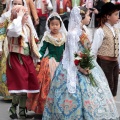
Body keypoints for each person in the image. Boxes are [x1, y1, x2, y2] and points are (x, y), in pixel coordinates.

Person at [42, 6, 119, 120]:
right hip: (74, 67)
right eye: (88, 15)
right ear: (81, 18)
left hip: (85, 62)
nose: (89, 18)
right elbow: (73, 54)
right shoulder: (73, 34)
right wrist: (82, 67)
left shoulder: (83, 31)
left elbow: (88, 49)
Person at [26, 12, 67, 119]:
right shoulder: (47, 36)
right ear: (49, 25)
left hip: (61, 63)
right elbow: (42, 50)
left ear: (60, 25)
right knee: (46, 86)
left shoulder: (64, 36)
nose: (55, 26)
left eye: (57, 24)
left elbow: (66, 50)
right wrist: (37, 58)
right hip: (49, 62)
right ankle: (44, 108)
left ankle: (58, 108)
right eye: (52, 24)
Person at [0, 0, 39, 101]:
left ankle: (20, 108)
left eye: (19, 4)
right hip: (11, 50)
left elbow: (32, 36)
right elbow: (3, 32)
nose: (17, 6)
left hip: (25, 54)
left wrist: (35, 53)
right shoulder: (7, 17)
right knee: (13, 76)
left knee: (25, 80)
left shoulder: (27, 22)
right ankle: (10, 99)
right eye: (15, 3)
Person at [6, 5, 40, 119]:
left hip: (27, 58)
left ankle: (21, 110)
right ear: (17, 15)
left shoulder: (28, 28)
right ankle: (13, 108)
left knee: (27, 85)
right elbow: (15, 31)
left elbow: (32, 44)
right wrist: (19, 17)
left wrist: (36, 58)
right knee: (20, 85)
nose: (26, 16)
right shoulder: (12, 26)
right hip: (16, 58)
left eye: (26, 14)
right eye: (24, 14)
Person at [91, 2, 120, 99]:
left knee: (114, 86)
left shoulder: (116, 30)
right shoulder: (100, 30)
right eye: (115, 14)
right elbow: (94, 49)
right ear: (108, 16)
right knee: (106, 86)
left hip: (114, 62)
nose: (118, 17)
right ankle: (105, 110)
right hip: (104, 62)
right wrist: (92, 65)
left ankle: (111, 110)